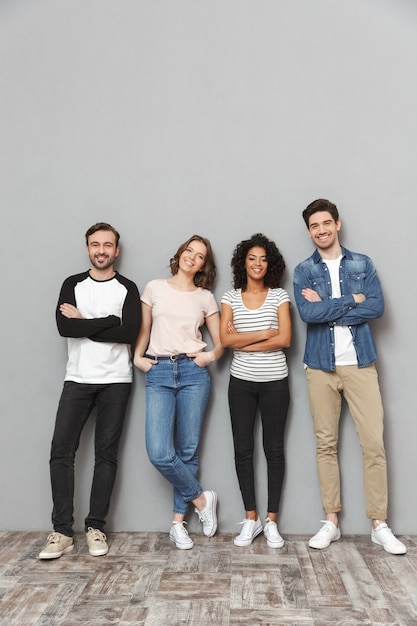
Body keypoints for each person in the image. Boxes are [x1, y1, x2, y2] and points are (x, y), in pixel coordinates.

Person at [293, 199, 406, 554]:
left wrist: (332, 303)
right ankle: (331, 522)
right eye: (314, 226)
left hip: (360, 362)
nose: (322, 230)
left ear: (337, 224)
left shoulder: (362, 263)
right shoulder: (302, 271)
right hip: (320, 365)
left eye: (327, 223)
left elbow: (377, 306)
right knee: (325, 444)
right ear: (309, 231)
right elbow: (309, 314)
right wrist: (352, 299)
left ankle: (379, 524)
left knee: (373, 443)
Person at [39, 223, 141, 559]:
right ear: (87, 249)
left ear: (116, 250)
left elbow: (130, 335)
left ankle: (95, 527)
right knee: (61, 451)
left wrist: (86, 321)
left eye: (107, 245)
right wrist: (109, 320)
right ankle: (61, 531)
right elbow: (64, 326)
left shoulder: (128, 287)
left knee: (106, 455)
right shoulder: (73, 284)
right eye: (95, 245)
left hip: (116, 380)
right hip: (78, 378)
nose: (101, 250)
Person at [134, 235, 224, 550]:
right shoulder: (154, 288)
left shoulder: (205, 297)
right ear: (180, 254)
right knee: (159, 451)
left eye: (200, 256)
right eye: (189, 251)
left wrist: (209, 357)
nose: (192, 258)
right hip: (158, 370)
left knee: (187, 451)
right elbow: (144, 330)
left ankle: (177, 523)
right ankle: (202, 498)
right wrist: (138, 358)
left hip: (193, 372)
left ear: (203, 265)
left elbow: (222, 339)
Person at [220, 234, 291, 548]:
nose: (258, 263)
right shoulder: (230, 297)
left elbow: (285, 340)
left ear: (270, 263)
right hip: (241, 383)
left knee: (274, 450)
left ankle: (271, 520)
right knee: (243, 450)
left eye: (263, 258)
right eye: (252, 258)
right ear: (243, 263)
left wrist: (244, 338)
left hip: (275, 381)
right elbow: (225, 341)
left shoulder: (279, 296)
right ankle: (251, 518)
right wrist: (265, 331)